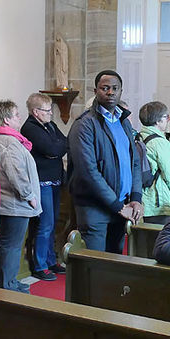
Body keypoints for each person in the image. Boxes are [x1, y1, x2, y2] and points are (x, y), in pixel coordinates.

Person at [67, 70, 143, 253]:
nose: (110, 92)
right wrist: (117, 206)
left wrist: (136, 198)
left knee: (114, 263)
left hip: (121, 205)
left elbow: (134, 162)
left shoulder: (123, 121)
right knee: (96, 264)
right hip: (95, 208)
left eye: (115, 88)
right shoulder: (84, 124)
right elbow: (88, 172)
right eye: (105, 88)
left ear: (121, 91)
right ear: (95, 91)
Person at [0, 100, 41, 292]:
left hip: (7, 204)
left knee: (7, 246)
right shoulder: (8, 143)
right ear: (6, 119)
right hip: (13, 205)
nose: (20, 118)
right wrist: (29, 196)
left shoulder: (1, 139)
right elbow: (16, 173)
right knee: (10, 248)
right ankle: (7, 285)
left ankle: (7, 282)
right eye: (16, 115)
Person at [21, 92, 68, 280]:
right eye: (47, 110)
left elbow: (64, 143)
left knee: (53, 222)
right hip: (41, 182)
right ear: (35, 112)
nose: (50, 114)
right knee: (44, 224)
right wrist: (55, 150)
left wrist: (55, 149)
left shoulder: (49, 125)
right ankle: (39, 264)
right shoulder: (30, 128)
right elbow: (51, 149)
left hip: (55, 179)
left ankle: (50, 260)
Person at [138, 101, 170, 223]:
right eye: (166, 117)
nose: (168, 120)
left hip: (144, 196)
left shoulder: (140, 136)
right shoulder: (160, 143)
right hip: (159, 200)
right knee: (160, 238)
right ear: (158, 121)